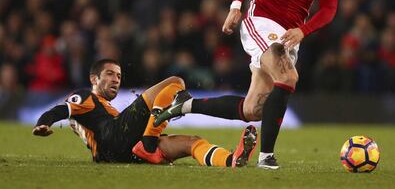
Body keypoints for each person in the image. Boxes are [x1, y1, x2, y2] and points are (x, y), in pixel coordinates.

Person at [154, 0, 340, 169]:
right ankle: (267, 157)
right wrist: (235, 6)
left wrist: (303, 31)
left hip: (290, 33)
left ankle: (185, 104)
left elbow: (328, 9)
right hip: (261, 20)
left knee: (253, 109)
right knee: (288, 76)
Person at [33, 58, 257, 167]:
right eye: (109, 74)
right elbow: (61, 110)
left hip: (121, 153)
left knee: (192, 142)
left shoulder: (101, 107)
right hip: (114, 137)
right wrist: (44, 123)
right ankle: (149, 142)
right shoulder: (86, 96)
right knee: (176, 81)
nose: (115, 80)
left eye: (119, 76)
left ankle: (231, 160)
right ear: (94, 79)